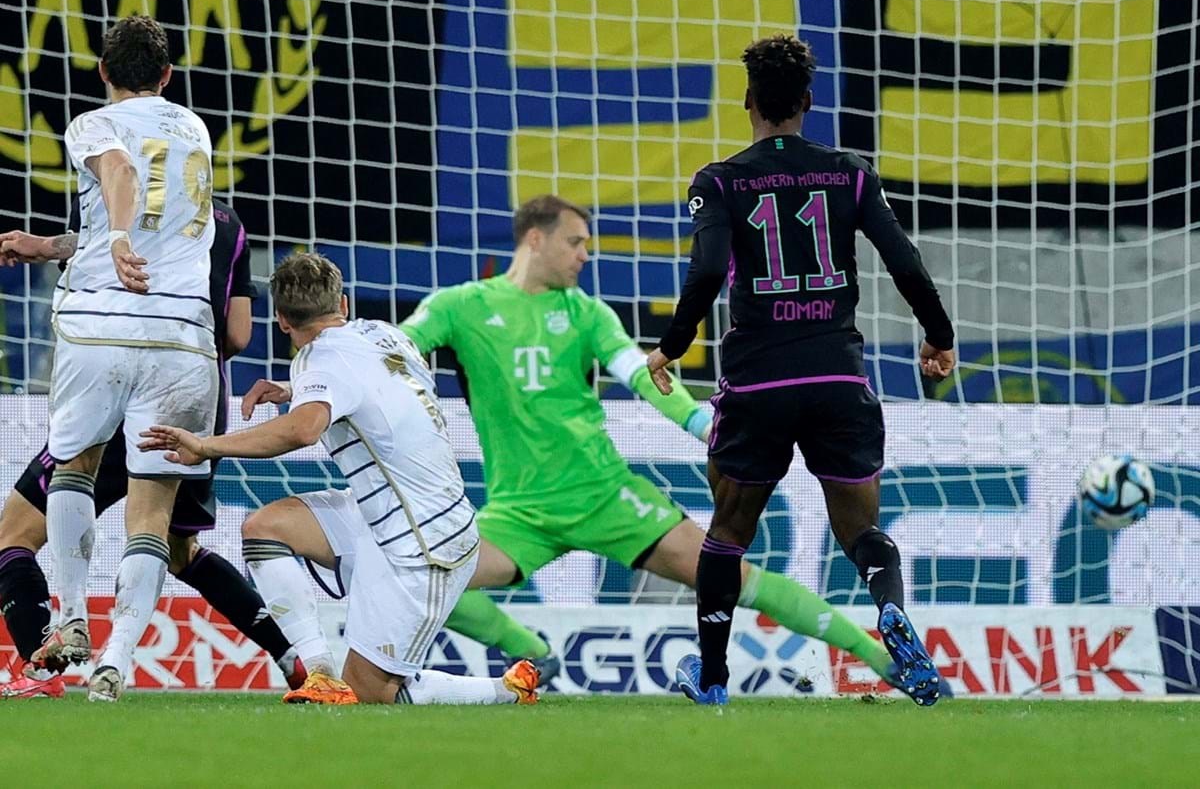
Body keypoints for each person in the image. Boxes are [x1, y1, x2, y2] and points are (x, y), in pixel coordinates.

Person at [392, 194, 898, 687]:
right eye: (574, 243)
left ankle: (880, 657)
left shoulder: (587, 314)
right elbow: (397, 347)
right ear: (534, 238)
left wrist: (703, 426)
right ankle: (532, 651)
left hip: (607, 495)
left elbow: (640, 373)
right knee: (426, 579)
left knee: (734, 579)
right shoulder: (460, 307)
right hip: (520, 510)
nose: (584, 255)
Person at [647, 34, 957, 706]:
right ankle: (891, 606)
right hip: (837, 378)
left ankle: (713, 677)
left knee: (727, 534)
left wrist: (672, 346)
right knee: (862, 532)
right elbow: (903, 259)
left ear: (748, 102)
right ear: (808, 103)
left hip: (758, 380)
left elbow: (705, 271)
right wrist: (939, 336)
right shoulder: (850, 171)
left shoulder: (720, 181)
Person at [140, 252, 540, 706]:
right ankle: (319, 674)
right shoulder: (385, 334)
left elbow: (303, 429)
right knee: (264, 529)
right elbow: (367, 379)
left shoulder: (319, 362)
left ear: (282, 322)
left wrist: (206, 445)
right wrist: (294, 390)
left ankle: (507, 691)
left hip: (425, 544)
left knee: (372, 694)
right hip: (385, 513)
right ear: (343, 305)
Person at [0, 199, 307, 698]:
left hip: (111, 391)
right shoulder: (226, 221)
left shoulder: (111, 197)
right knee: (178, 548)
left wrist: (41, 247)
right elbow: (238, 334)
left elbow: (91, 251)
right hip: (193, 397)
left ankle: (41, 669)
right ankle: (293, 660)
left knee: (14, 532)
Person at [7, 15, 224, 702]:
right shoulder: (195, 130)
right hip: (183, 334)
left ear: (103, 74)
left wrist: (121, 237)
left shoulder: (94, 126)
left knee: (73, 464)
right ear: (167, 75)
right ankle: (117, 663)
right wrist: (49, 246)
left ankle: (73, 619)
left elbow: (120, 175)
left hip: (100, 322)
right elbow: (141, 226)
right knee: (152, 511)